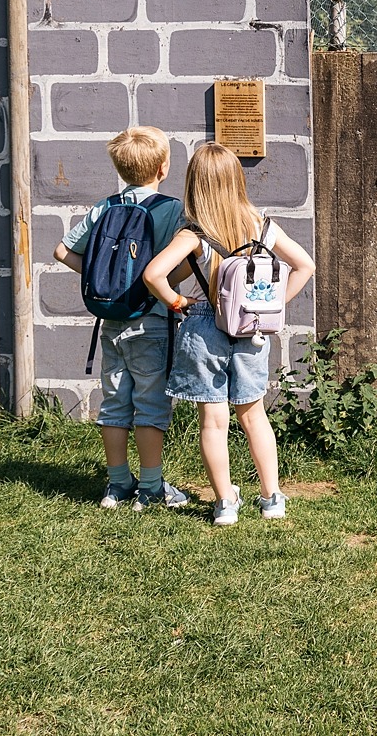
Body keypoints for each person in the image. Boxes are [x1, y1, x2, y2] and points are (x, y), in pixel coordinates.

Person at [142, 141, 315, 526]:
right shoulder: (263, 225)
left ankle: (224, 504)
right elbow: (305, 265)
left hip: (205, 325)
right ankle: (271, 498)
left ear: (195, 185)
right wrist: (273, 306)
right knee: (254, 416)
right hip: (252, 329)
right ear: (237, 179)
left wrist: (177, 302)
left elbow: (153, 275)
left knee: (214, 421)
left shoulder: (195, 233)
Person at [52, 125, 190, 512]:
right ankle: (149, 487)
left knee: (114, 402)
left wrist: (106, 282)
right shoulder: (172, 209)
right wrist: (158, 287)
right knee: (150, 403)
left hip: (111, 320)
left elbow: (62, 251)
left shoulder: (104, 207)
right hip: (151, 321)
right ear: (163, 168)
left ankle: (115, 486)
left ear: (119, 167)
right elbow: (184, 260)